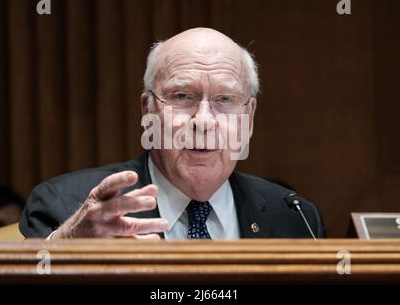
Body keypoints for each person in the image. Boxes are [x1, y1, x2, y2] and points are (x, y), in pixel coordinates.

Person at [19, 28, 326, 239]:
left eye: (225, 99)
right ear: (148, 110)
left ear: (249, 116)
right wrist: (68, 248)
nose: (204, 121)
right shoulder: (63, 205)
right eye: (182, 97)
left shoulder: (295, 217)